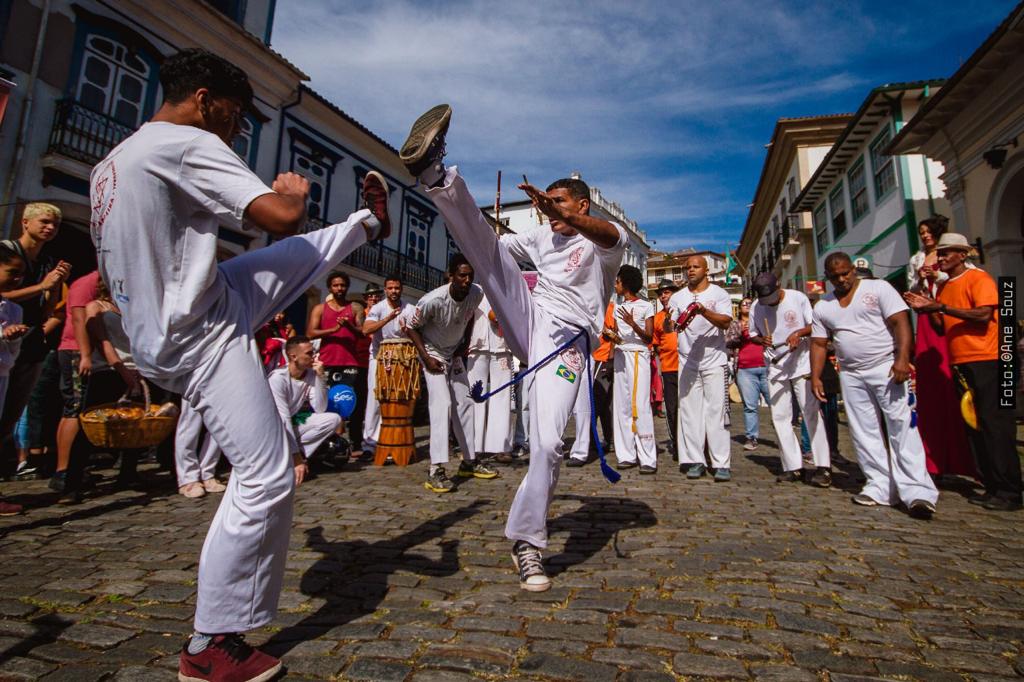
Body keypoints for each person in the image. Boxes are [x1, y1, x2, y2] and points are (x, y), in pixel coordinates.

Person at [89, 48, 391, 681]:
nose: (238, 126)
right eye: (235, 113)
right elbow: (280, 218)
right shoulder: (185, 142)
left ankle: (367, 224)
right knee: (266, 472)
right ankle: (209, 644)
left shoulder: (113, 162)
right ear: (204, 100)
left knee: (297, 261)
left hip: (195, 304)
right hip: (199, 333)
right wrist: (291, 194)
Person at [401, 104, 626, 591]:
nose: (551, 208)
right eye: (549, 202)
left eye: (561, 201)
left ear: (582, 205)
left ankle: (526, 540)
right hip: (529, 316)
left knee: (547, 443)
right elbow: (491, 248)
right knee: (488, 252)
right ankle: (435, 172)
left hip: (567, 341)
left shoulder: (603, 244)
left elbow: (610, 234)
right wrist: (490, 230)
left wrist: (565, 216)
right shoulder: (542, 237)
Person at [811, 252, 938, 519]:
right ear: (828, 277)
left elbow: (900, 323)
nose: (842, 279)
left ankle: (917, 491)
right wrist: (815, 376)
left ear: (853, 270)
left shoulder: (878, 288)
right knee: (863, 430)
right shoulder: (824, 306)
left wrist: (903, 359)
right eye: (835, 276)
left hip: (886, 366)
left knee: (901, 426)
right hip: (851, 373)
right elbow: (819, 343)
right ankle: (880, 485)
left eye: (846, 273)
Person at [904, 233, 1022, 512]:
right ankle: (992, 484)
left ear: (963, 254)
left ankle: (1011, 490)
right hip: (962, 362)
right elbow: (942, 326)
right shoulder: (945, 288)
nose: (940, 258)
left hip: (992, 359)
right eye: (939, 253)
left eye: (947, 253)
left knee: (997, 425)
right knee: (975, 425)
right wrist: (926, 306)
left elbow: (983, 315)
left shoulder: (978, 279)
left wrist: (940, 306)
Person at [402, 255, 497, 492]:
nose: (466, 280)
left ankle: (469, 460)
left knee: (465, 405)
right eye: (462, 275)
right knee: (442, 405)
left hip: (453, 354)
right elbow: (411, 327)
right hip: (432, 353)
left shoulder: (476, 293)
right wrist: (426, 357)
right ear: (451, 276)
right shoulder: (432, 300)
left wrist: (464, 344)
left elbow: (470, 317)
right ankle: (436, 469)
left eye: (470, 276)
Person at [1, 202, 71, 477]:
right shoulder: (7, 253)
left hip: (28, 343)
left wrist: (53, 287)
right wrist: (41, 286)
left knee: (10, 418)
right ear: (25, 223)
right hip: (3, 339)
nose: (50, 227)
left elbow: (49, 308)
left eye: (54, 224)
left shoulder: (47, 262)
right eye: (44, 221)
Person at [905, 216, 975, 478]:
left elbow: (959, 280)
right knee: (930, 387)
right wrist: (920, 282)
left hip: (949, 318)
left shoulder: (956, 261)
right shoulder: (915, 259)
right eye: (921, 232)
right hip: (925, 319)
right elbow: (913, 288)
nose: (924, 236)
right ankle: (931, 455)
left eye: (927, 231)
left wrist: (938, 276)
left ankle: (964, 456)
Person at [749, 273, 831, 487]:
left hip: (801, 362)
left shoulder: (798, 298)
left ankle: (823, 466)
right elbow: (751, 334)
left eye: (772, 297)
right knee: (780, 416)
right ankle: (793, 466)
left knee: (810, 412)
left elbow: (816, 325)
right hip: (775, 365)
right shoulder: (756, 307)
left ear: (778, 285)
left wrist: (799, 333)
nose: (770, 303)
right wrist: (762, 339)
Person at [664, 255, 734, 481]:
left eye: (696, 267)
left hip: (715, 359)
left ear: (706, 270)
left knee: (717, 412)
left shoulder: (719, 294)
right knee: (690, 412)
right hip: (687, 360)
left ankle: (721, 462)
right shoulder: (678, 297)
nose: (691, 271)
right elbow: (671, 327)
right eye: (688, 268)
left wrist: (703, 311)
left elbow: (726, 322)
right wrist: (667, 319)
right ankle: (695, 460)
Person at [307, 272, 369, 457]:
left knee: (352, 403)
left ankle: (356, 442)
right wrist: (333, 329)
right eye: (336, 285)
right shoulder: (320, 309)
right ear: (330, 288)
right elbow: (310, 333)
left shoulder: (355, 307)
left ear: (347, 287)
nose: (339, 289)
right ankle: (325, 442)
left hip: (350, 361)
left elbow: (363, 331)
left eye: (342, 285)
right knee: (324, 403)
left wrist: (348, 326)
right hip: (327, 361)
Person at [50, 270, 100, 495]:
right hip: (75, 351)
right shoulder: (85, 283)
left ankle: (66, 470)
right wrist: (86, 354)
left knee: (72, 408)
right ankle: (64, 471)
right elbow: (78, 318)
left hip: (78, 351)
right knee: (74, 409)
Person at [268, 336, 343, 469]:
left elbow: (320, 408)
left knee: (333, 419)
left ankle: (300, 453)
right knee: (286, 424)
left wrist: (321, 377)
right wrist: (295, 456)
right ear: (293, 356)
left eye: (313, 352)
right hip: (273, 426)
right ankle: (292, 458)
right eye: (309, 353)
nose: (314, 356)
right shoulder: (278, 379)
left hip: (293, 421)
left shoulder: (310, 374)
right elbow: (282, 418)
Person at [361, 276, 414, 460]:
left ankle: (390, 440)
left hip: (401, 358)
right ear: (385, 290)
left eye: (397, 287)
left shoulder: (409, 308)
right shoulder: (378, 308)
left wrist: (409, 331)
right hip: (378, 356)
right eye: (390, 288)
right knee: (375, 399)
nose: (394, 291)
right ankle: (369, 443)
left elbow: (420, 330)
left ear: (401, 289)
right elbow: (366, 330)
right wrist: (388, 318)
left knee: (395, 400)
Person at [610, 265, 657, 472]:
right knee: (622, 407)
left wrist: (632, 323)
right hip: (620, 354)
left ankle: (647, 458)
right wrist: (609, 336)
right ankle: (626, 454)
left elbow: (648, 337)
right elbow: (617, 335)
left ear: (626, 284)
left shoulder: (646, 306)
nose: (615, 285)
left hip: (638, 355)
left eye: (618, 282)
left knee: (640, 405)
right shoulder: (616, 306)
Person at [567, 301, 617, 466]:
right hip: (565, 355)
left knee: (587, 404)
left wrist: (609, 359)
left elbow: (612, 333)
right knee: (563, 403)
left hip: (590, 357)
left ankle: (581, 451)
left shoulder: (606, 307)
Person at [466, 295, 515, 461]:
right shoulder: (474, 290)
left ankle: (501, 445)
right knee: (475, 396)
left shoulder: (507, 289)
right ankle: (474, 445)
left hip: (502, 347)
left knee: (502, 397)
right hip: (476, 346)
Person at [0, 244, 28, 516]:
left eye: (21, 275)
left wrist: (14, 339)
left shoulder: (14, 309)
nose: (17, 279)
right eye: (12, 272)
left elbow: (12, 354)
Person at [726, 297, 769, 451]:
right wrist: (740, 333)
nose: (746, 306)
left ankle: (784, 435)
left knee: (775, 404)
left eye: (749, 304)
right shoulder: (735, 324)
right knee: (750, 406)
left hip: (766, 365)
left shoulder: (763, 320)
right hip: (744, 368)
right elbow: (728, 343)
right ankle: (751, 437)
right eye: (744, 304)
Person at [650, 279, 680, 457]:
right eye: (661, 294)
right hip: (668, 367)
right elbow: (655, 343)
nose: (663, 296)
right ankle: (676, 443)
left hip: (687, 366)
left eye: (667, 292)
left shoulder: (684, 311)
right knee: (672, 407)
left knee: (690, 408)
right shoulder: (658, 318)